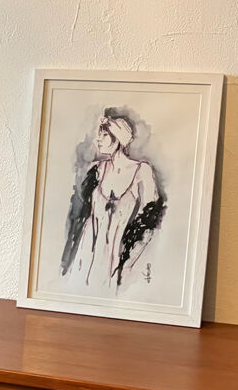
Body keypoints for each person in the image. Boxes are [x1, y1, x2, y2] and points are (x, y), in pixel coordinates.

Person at [61, 109, 165, 291]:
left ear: (117, 138)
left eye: (104, 135)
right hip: (87, 254)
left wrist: (128, 263)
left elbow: (149, 222)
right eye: (98, 135)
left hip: (118, 256)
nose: (98, 140)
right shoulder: (96, 169)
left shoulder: (142, 171)